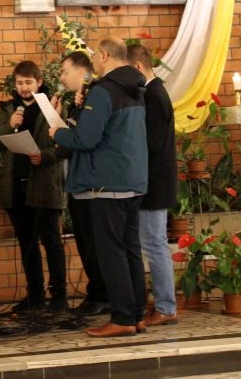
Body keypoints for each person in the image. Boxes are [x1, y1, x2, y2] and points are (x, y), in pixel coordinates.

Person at [50, 37, 149, 338]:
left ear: (104, 55)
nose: (92, 60)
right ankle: (137, 315)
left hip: (105, 182)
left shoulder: (104, 90)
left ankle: (122, 318)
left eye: (94, 55)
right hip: (131, 180)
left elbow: (86, 139)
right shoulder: (135, 88)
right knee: (130, 250)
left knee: (111, 252)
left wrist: (58, 132)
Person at [0, 61, 67, 313]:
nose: (24, 87)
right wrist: (9, 124)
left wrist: (44, 156)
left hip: (44, 184)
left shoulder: (51, 106)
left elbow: (64, 144)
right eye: (19, 83)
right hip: (16, 185)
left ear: (39, 82)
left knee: (51, 241)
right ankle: (35, 295)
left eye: (28, 82)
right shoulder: (9, 109)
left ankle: (59, 296)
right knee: (27, 244)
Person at [55, 51, 111, 316]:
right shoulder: (80, 101)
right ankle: (96, 292)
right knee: (85, 243)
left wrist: (60, 134)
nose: (62, 78)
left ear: (81, 71)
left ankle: (103, 294)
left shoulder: (96, 96)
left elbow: (85, 139)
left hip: (93, 182)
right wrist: (58, 122)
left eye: (65, 72)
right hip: (78, 182)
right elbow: (72, 138)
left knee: (95, 244)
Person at [127, 44, 179, 327]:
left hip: (154, 183)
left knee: (154, 244)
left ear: (137, 67)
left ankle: (166, 306)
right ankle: (162, 303)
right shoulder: (152, 92)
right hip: (151, 180)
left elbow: (154, 143)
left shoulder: (154, 95)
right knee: (152, 242)